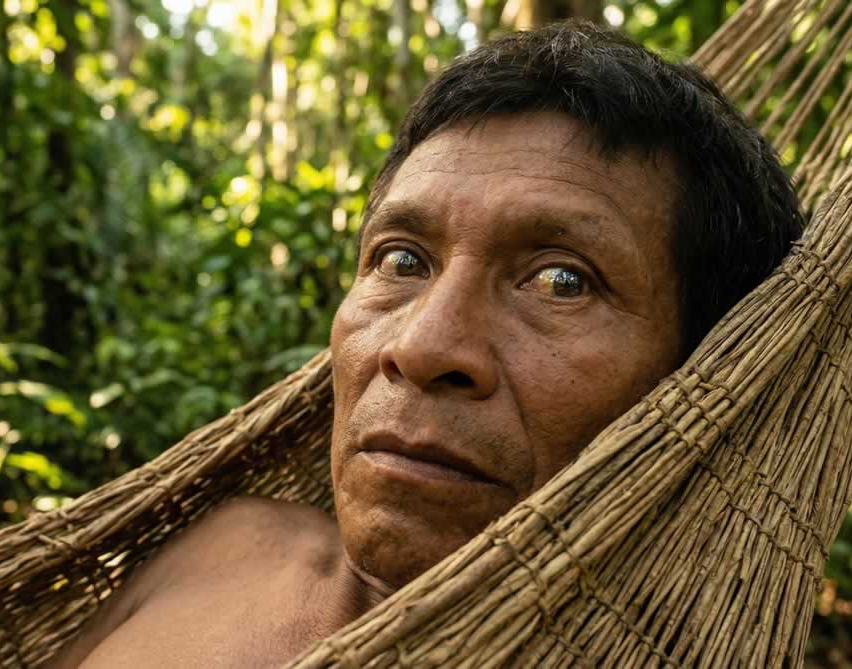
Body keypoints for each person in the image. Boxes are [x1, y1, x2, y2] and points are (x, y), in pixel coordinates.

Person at [47, 21, 804, 668]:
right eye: (403, 261)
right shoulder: (226, 542)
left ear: (709, 374)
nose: (421, 347)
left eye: (561, 280)